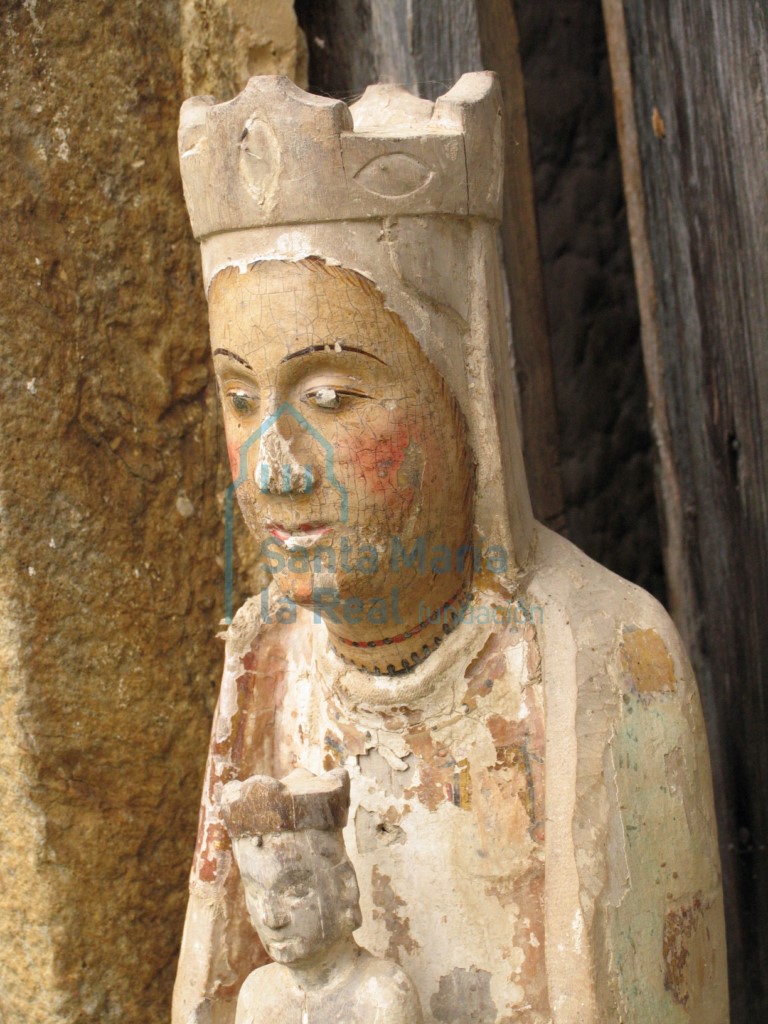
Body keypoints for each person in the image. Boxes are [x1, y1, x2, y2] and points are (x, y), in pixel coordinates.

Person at [173, 74, 728, 1023]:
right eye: (238, 399)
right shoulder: (270, 651)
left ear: (460, 392)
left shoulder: (603, 655)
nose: (272, 468)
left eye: (330, 399)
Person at [221, 768, 423, 1024]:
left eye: (294, 891)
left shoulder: (380, 996)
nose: (272, 918)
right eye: (256, 893)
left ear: (344, 886)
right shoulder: (257, 994)